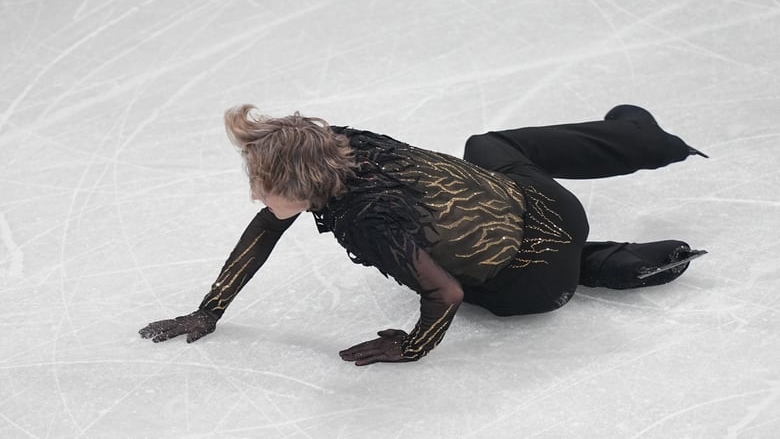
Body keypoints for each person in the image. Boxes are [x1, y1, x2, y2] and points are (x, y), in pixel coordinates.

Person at [139, 104, 707, 366]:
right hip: (553, 207)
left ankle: (600, 264)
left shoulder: (371, 220)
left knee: (460, 270)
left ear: (302, 182)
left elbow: (446, 295)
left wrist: (409, 346)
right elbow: (269, 223)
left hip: (530, 287)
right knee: (487, 146)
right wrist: (209, 309)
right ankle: (641, 139)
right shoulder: (334, 142)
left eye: (264, 186)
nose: (256, 197)